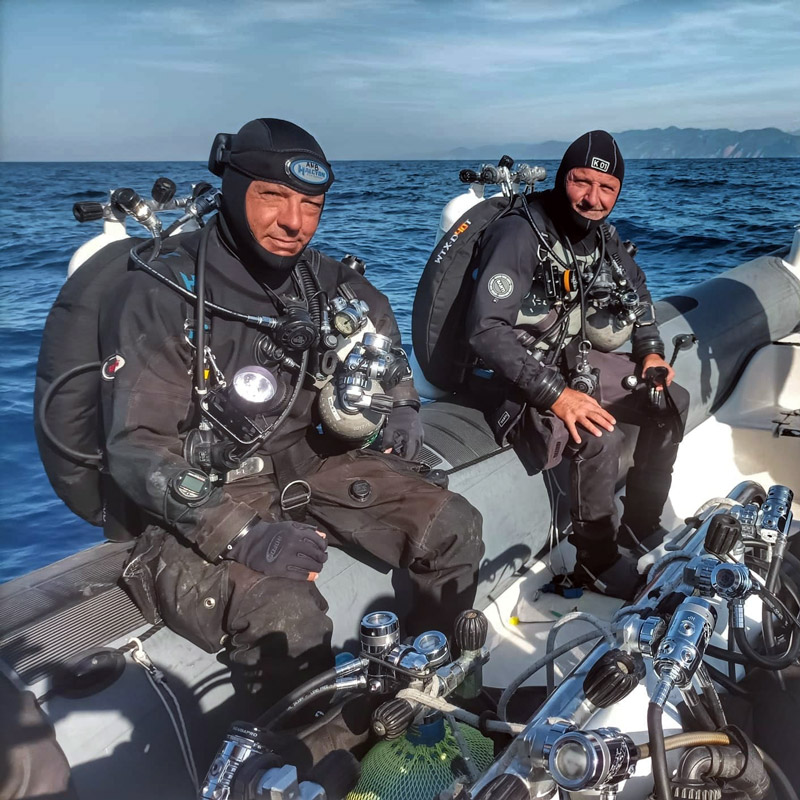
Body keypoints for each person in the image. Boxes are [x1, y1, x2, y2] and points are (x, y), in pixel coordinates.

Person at [98, 118, 483, 706]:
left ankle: (435, 694)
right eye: (273, 197)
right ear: (231, 189)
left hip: (313, 465)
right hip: (201, 498)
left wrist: (403, 405)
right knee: (286, 614)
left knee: (452, 524)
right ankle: (305, 768)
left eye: (311, 203)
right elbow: (135, 447)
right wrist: (241, 533)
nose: (294, 221)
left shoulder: (325, 284)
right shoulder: (162, 292)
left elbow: (381, 346)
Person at [465, 130, 688, 600]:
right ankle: (596, 561)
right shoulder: (521, 233)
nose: (592, 199)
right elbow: (485, 331)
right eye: (581, 182)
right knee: (597, 435)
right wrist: (556, 395)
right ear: (563, 177)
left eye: (607, 189)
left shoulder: (603, 239)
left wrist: (649, 350)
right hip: (512, 371)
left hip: (571, 359)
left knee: (670, 402)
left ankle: (640, 526)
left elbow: (639, 296)